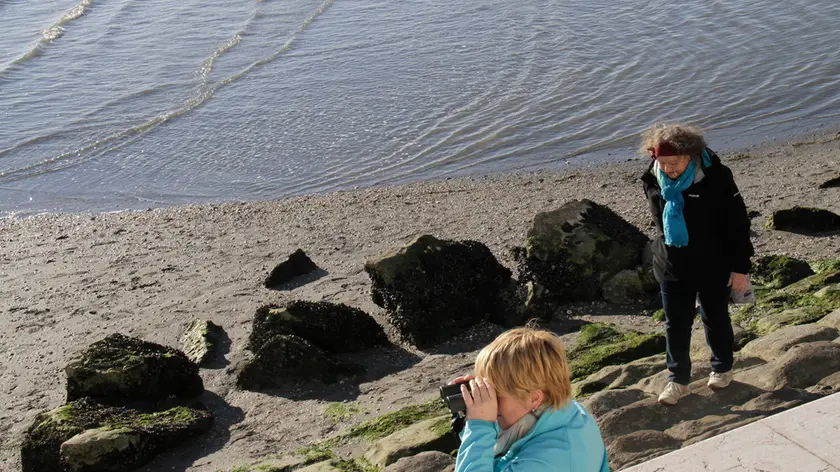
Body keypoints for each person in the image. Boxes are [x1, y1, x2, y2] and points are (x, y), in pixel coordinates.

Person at [640, 123, 753, 405]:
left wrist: (740, 268)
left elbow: (738, 224)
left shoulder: (716, 177)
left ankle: (722, 368)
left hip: (713, 263)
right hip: (672, 264)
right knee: (675, 324)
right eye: (661, 163)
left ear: (689, 156)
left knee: (715, 318)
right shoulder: (652, 179)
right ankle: (678, 381)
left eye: (673, 163)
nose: (667, 169)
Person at [452, 328, 609, 471]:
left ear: (534, 397)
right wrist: (469, 417)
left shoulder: (545, 462)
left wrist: (479, 426)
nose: (490, 400)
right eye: (486, 388)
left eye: (496, 394)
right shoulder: (567, 412)